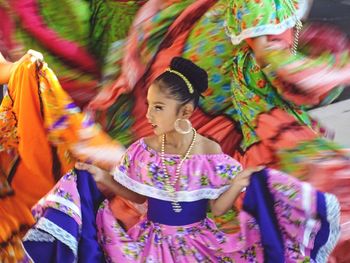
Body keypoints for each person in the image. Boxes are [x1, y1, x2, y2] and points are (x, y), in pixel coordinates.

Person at [22, 57, 340, 262]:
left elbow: (216, 208)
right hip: (149, 243)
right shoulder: (144, 149)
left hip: (199, 243)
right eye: (149, 105)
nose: (149, 114)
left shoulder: (209, 154)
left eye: (158, 107)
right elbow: (140, 196)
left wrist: (241, 182)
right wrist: (102, 178)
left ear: (185, 112)